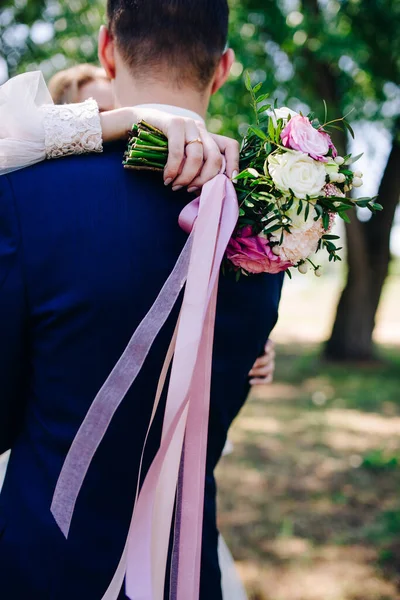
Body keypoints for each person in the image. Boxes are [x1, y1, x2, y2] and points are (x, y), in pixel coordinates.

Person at [0, 2, 284, 599]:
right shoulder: (272, 224)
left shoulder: (27, 198)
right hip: (186, 572)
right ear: (224, 67)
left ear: (106, 49)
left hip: (48, 568)